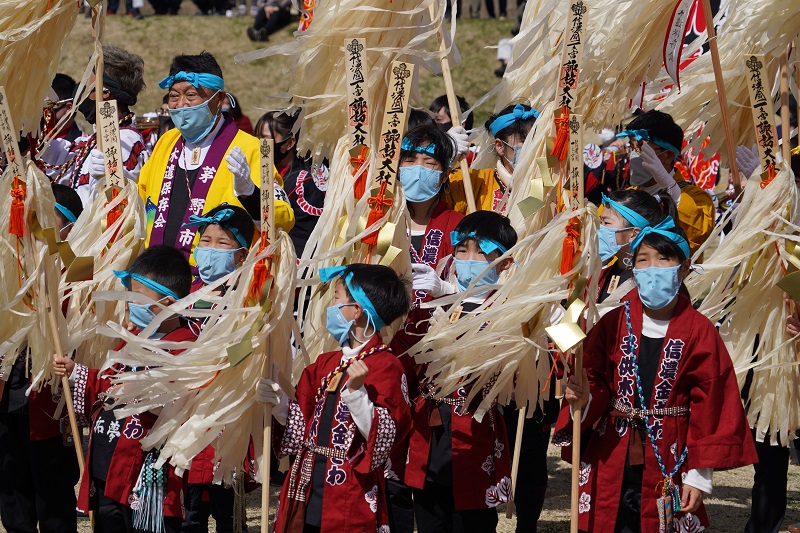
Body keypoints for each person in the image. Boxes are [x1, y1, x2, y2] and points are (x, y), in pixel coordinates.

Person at [553, 219, 758, 532]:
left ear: (684, 268)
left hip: (670, 453)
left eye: (664, 259)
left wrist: (698, 476)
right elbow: (593, 378)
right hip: (612, 453)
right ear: (633, 268)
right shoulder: (613, 322)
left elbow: (712, 404)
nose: (652, 268)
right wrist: (583, 396)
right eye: (643, 260)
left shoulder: (699, 331)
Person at [52, 245, 197, 533]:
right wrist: (76, 372)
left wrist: (144, 391)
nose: (130, 306)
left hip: (147, 474)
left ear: (168, 303)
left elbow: (183, 403)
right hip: (109, 464)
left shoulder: (186, 346)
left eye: (137, 299)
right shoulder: (130, 337)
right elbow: (107, 385)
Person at [258, 263, 413, 532]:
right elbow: (304, 420)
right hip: (308, 480)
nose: (331, 304)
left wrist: (357, 393)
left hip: (350, 486)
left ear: (356, 311)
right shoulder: (326, 362)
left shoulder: (386, 365)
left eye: (337, 297)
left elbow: (385, 438)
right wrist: (279, 404)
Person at [405, 210, 516, 533]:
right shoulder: (435, 303)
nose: (470, 259)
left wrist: (450, 296)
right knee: (429, 514)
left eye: (482, 252)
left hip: (475, 427)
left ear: (505, 262)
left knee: (472, 520)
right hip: (431, 425)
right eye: (462, 251)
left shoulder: (509, 307)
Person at [137, 51, 293, 264]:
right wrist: (116, 182)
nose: (181, 105)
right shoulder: (167, 141)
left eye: (191, 95)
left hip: (217, 285)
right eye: (174, 96)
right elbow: (142, 199)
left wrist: (251, 194)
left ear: (218, 99)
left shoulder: (253, 149)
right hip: (159, 277)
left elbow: (284, 219)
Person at [0, 184, 84, 533]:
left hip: (49, 393)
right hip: (8, 388)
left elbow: (87, 299)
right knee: (9, 479)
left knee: (52, 487)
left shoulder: (76, 263)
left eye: (49, 220)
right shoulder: (9, 262)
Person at [180, 204, 254, 532]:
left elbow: (252, 349)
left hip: (226, 418)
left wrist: (223, 360)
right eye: (205, 241)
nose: (210, 250)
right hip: (187, 416)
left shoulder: (250, 300)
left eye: (222, 244)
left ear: (242, 254)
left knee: (227, 512)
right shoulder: (187, 296)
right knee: (190, 509)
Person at [43, 46, 149, 206]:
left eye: (87, 84)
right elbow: (60, 163)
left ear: (105, 92)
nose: (81, 89)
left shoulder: (124, 138)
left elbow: (117, 201)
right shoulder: (95, 138)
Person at [617, 110, 715, 256]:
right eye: (631, 147)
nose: (634, 154)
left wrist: (670, 188)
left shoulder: (695, 197)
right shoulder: (627, 196)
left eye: (640, 148)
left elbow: (699, 232)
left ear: (668, 155)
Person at [256, 110, 324, 258]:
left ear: (290, 143)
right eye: (258, 139)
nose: (260, 145)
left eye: (266, 140)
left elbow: (304, 237)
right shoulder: (255, 172)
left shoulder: (304, 183)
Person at [446, 103, 538, 215]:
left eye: (537, 141)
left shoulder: (554, 183)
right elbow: (427, 201)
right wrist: (444, 158)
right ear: (500, 146)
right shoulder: (473, 182)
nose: (534, 147)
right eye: (525, 141)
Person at [596, 190, 675, 305]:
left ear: (634, 234)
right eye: (600, 222)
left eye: (606, 223)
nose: (599, 229)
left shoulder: (650, 284)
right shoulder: (604, 272)